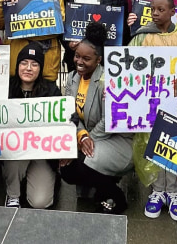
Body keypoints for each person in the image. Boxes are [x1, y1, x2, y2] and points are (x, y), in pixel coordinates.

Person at [130, 0, 177, 220]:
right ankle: (158, 191)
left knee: (176, 144)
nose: (155, 13)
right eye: (152, 10)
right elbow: (129, 65)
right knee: (154, 144)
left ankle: (175, 193)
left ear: (172, 12)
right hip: (151, 100)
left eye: (160, 9)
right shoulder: (141, 37)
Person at [58, 22, 134, 213]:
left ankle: (116, 196)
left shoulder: (107, 81)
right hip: (89, 136)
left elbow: (111, 120)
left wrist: (88, 139)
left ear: (98, 60)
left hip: (118, 140)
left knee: (82, 161)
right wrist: (82, 135)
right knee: (66, 168)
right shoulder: (72, 78)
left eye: (86, 58)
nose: (79, 61)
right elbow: (70, 112)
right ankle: (103, 183)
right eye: (77, 56)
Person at [3, 44, 59, 209]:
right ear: (17, 65)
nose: (28, 68)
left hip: (41, 152)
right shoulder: (4, 88)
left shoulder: (52, 91)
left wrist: (71, 118)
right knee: (11, 151)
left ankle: (50, 179)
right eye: (24, 63)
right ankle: (12, 194)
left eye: (34, 64)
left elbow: (62, 123)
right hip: (15, 151)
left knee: (41, 202)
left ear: (40, 68)